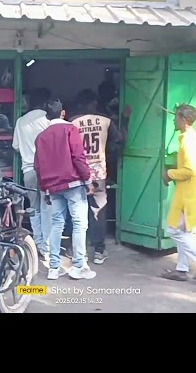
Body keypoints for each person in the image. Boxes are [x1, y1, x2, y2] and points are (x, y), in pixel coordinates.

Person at [34, 100, 96, 280]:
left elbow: (38, 166)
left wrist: (45, 188)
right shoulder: (70, 130)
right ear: (63, 113)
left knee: (56, 224)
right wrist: (87, 180)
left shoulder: (41, 137)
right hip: (73, 184)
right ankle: (79, 266)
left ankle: (54, 267)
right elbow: (78, 156)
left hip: (52, 187)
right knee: (79, 224)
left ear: (47, 116)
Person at [69, 89, 130, 264]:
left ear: (79, 104)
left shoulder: (73, 122)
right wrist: (126, 120)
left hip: (77, 173)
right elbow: (120, 141)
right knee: (98, 212)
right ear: (94, 103)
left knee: (76, 212)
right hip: (98, 174)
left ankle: (77, 251)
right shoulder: (106, 121)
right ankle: (98, 251)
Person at [160, 104, 196, 281]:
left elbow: (189, 169)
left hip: (186, 194)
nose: (174, 120)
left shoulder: (189, 141)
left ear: (183, 120)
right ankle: (182, 269)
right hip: (188, 192)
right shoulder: (190, 138)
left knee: (173, 230)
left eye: (176, 117)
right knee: (185, 232)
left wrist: (169, 174)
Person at [12, 88, 52, 259]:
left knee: (34, 207)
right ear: (45, 103)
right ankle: (48, 247)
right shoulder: (47, 121)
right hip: (47, 171)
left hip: (28, 170)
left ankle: (39, 243)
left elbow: (15, 146)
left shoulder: (21, 121)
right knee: (48, 207)